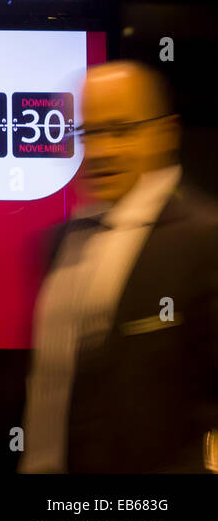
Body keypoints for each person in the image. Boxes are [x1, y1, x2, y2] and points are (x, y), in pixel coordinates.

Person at [21, 61, 218, 473]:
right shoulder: (57, 244)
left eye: (122, 130)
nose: (101, 151)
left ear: (165, 133)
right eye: (88, 132)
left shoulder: (204, 240)